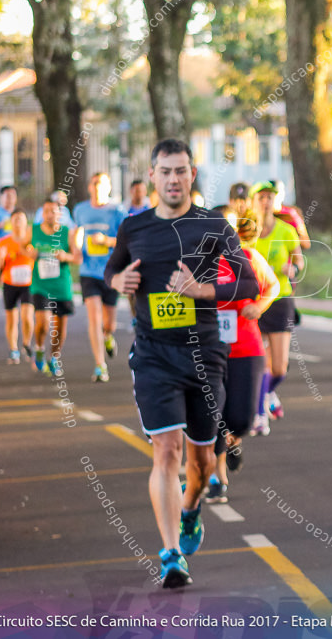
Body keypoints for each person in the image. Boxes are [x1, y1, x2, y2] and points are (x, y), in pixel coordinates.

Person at [104, 138, 259, 589]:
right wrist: (119, 279)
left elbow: (247, 281)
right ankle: (171, 554)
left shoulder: (213, 225)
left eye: (182, 171)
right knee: (166, 451)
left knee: (203, 464)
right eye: (165, 171)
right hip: (153, 355)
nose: (174, 179)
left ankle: (190, 510)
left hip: (204, 355)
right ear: (152, 176)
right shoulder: (134, 228)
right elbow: (108, 271)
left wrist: (202, 292)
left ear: (193, 175)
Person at [204, 207, 279, 504]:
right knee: (215, 416)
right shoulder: (198, 262)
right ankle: (217, 478)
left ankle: (234, 441)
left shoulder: (248, 257)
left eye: (231, 228)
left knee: (242, 419)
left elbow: (272, 285)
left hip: (246, 347)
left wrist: (258, 307)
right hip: (209, 350)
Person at [250, 180, 304, 428]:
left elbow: (300, 263)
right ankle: (259, 412)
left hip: (280, 299)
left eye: (270, 197)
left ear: (276, 201)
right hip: (253, 300)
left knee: (279, 368)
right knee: (258, 360)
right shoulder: (245, 231)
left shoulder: (286, 230)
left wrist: (291, 268)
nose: (266, 201)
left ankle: (267, 393)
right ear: (253, 201)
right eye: (261, 197)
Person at [74, 172, 126, 383]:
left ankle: (108, 336)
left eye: (101, 184)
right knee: (94, 318)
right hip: (88, 272)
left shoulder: (117, 211)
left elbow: (125, 241)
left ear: (108, 187)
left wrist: (106, 241)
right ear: (89, 186)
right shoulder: (80, 210)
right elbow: (76, 234)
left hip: (110, 271)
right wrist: (76, 249)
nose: (97, 187)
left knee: (108, 323)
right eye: (94, 183)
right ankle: (99, 365)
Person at [28, 198, 79, 376]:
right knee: (42, 323)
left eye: (53, 211)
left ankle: (54, 357)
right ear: (42, 213)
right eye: (46, 211)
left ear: (59, 214)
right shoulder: (33, 231)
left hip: (61, 285)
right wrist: (30, 252)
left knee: (59, 326)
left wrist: (66, 257)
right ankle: (40, 349)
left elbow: (77, 257)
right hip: (41, 285)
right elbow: (22, 246)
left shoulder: (66, 233)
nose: (50, 214)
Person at [0, 209, 35, 364]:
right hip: (10, 283)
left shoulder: (30, 240)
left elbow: (36, 257)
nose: (18, 221)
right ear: (10, 222)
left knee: (26, 316)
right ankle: (13, 350)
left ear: (26, 222)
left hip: (28, 283)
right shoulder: (4, 242)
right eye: (15, 219)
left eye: (21, 219)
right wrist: (4, 257)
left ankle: (26, 343)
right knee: (11, 319)